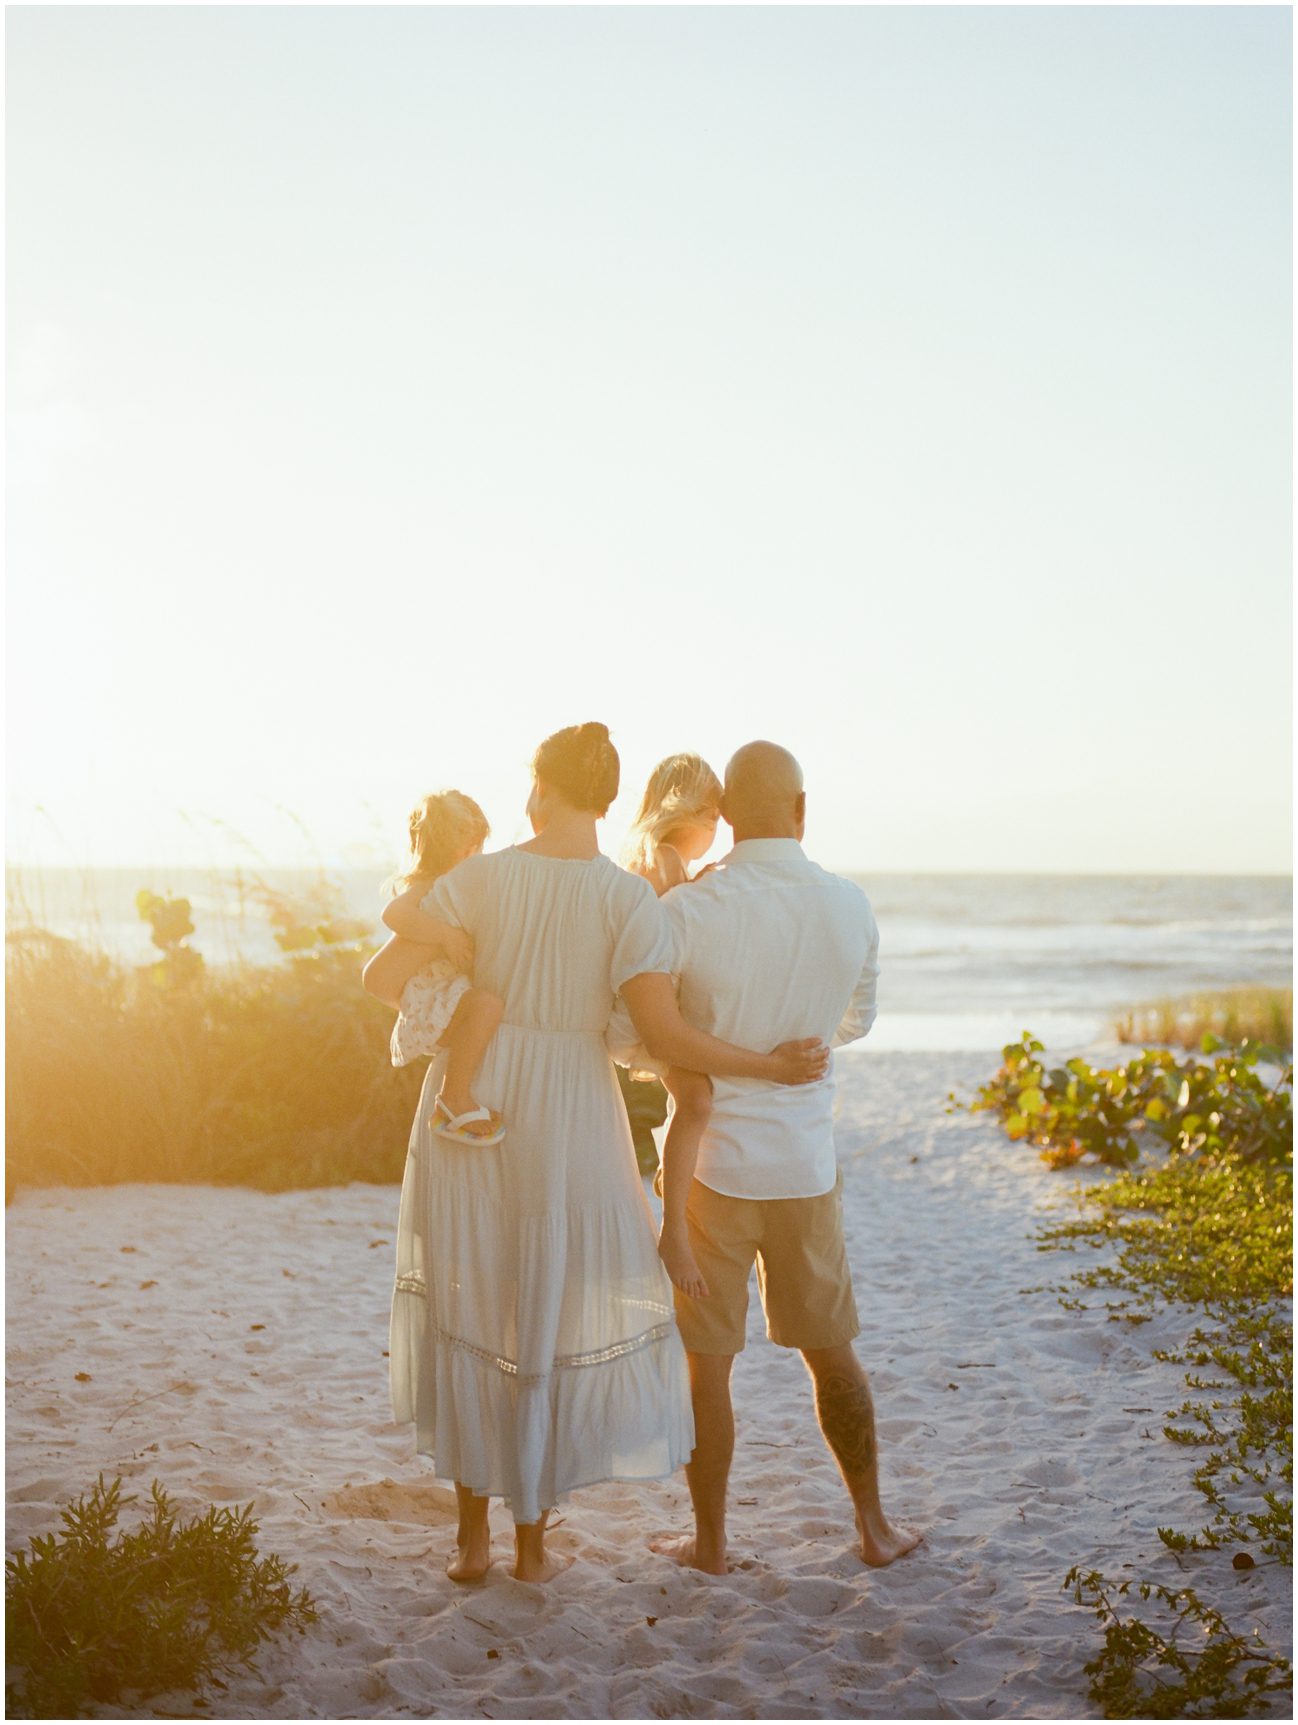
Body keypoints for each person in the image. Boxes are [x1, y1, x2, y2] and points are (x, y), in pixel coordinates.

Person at [364, 723, 829, 1584]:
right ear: (611, 802)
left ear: (538, 787)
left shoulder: (480, 876)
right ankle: (533, 1543)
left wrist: (460, 966)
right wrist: (764, 1065)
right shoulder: (627, 900)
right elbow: (657, 1033)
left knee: (472, 1298)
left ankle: (471, 1541)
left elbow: (386, 978)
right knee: (542, 1309)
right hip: (573, 1101)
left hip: (473, 1098)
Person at [612, 740, 920, 1575]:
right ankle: (874, 1527)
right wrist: (803, 1035)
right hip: (803, 1166)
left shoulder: (687, 911)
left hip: (710, 1169)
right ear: (801, 809)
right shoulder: (849, 905)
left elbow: (636, 1033)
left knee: (706, 1368)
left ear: (728, 818)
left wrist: (708, 1056)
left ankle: (710, 1543)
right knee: (833, 1353)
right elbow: (857, 1021)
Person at [622, 753, 723, 1301]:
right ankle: (674, 1232)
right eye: (712, 815)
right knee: (697, 1102)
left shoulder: (655, 854)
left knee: (691, 1102)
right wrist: (696, 887)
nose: (715, 828)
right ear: (691, 811)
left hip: (653, 996)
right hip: (652, 1003)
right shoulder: (660, 854)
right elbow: (669, 917)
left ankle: (672, 1178)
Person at [362, 791, 505, 1144]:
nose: (476, 855)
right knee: (487, 1006)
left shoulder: (461, 887)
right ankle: (452, 1099)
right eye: (471, 846)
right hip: (430, 1000)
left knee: (486, 1006)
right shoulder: (433, 884)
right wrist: (444, 934)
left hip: (442, 995)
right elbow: (393, 914)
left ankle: (456, 1099)